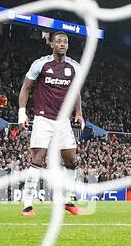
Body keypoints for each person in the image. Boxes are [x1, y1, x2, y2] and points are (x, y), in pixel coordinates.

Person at [17, 31, 84, 217]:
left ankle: (67, 200)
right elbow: (26, 88)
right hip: (43, 118)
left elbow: (76, 92)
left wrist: (79, 113)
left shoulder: (74, 67)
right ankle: (28, 205)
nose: (62, 44)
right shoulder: (40, 64)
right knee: (38, 159)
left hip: (63, 121)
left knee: (72, 161)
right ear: (52, 45)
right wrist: (22, 113)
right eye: (59, 41)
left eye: (66, 42)